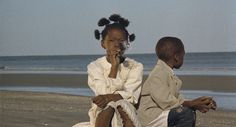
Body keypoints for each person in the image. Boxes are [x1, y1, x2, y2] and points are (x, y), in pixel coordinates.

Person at [72, 14, 143, 127]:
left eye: (121, 41)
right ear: (103, 44)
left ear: (127, 43)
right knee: (109, 106)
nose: (116, 44)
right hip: (103, 112)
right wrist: (114, 68)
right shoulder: (94, 66)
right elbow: (102, 93)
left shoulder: (135, 66)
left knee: (121, 105)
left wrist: (108, 97)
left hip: (125, 112)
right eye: (111, 40)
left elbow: (131, 96)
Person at [137, 37, 217, 127]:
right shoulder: (158, 73)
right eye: (183, 55)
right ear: (176, 57)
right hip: (151, 118)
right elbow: (165, 101)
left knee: (189, 110)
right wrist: (191, 103)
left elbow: (177, 99)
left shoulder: (167, 73)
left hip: (161, 113)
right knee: (185, 114)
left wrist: (198, 103)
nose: (183, 58)